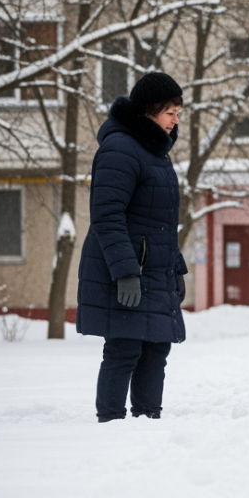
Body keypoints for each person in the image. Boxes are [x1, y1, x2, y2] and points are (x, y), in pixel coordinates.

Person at [77, 72, 189, 422]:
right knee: (124, 348)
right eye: (170, 112)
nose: (175, 120)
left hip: (154, 271)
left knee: (156, 349)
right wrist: (126, 272)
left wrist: (177, 267)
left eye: (178, 113)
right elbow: (107, 216)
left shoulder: (156, 153)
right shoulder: (120, 149)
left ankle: (147, 421)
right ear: (149, 111)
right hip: (127, 270)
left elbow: (160, 222)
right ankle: (110, 423)